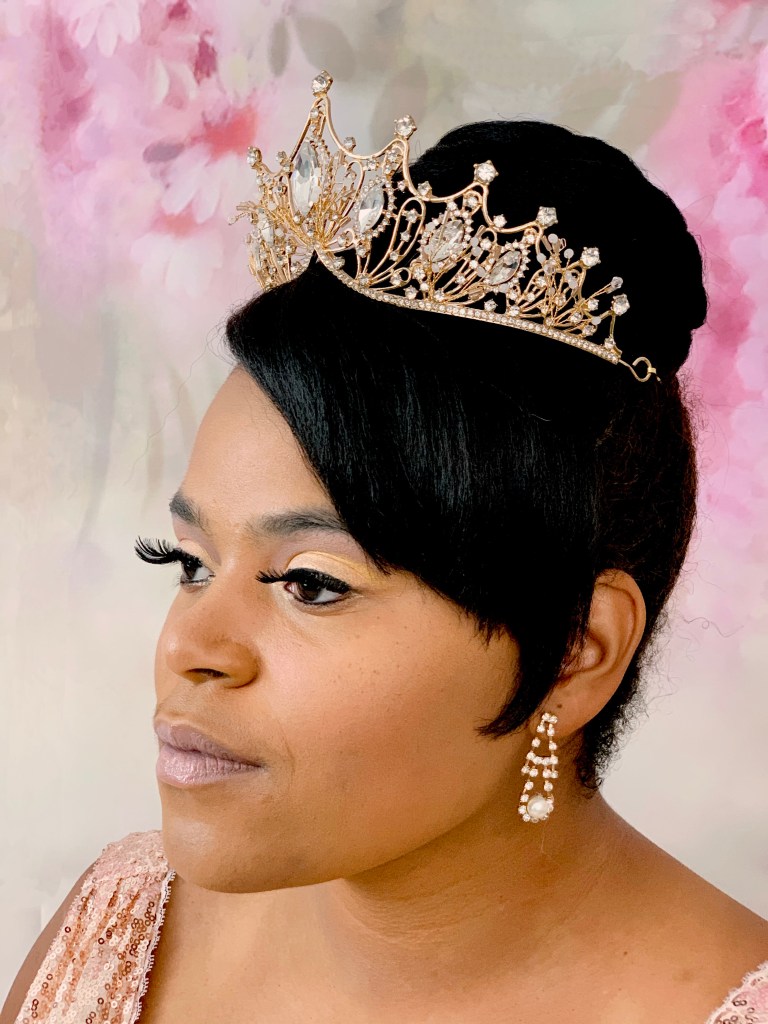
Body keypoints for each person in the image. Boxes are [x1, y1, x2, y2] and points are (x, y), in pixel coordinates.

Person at [3, 72, 768, 1024]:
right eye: (191, 564)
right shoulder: (115, 931)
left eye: (310, 585)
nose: (188, 648)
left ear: (576, 648)